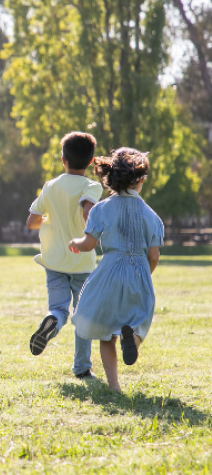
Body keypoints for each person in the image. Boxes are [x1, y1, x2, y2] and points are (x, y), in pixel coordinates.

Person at [69, 148, 163, 392]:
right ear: (141, 179)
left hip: (109, 271)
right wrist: (144, 274)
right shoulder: (152, 217)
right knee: (140, 320)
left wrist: (75, 243)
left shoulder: (101, 209)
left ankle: (114, 387)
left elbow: (88, 244)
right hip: (139, 271)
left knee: (105, 331)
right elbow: (154, 255)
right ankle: (133, 339)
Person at [26, 132, 103, 378]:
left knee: (58, 308)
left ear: (63, 160)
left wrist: (52, 219)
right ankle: (82, 367)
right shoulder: (92, 186)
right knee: (83, 315)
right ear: (91, 162)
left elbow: (31, 222)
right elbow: (87, 211)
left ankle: (51, 321)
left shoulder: (50, 186)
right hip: (81, 260)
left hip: (54, 260)